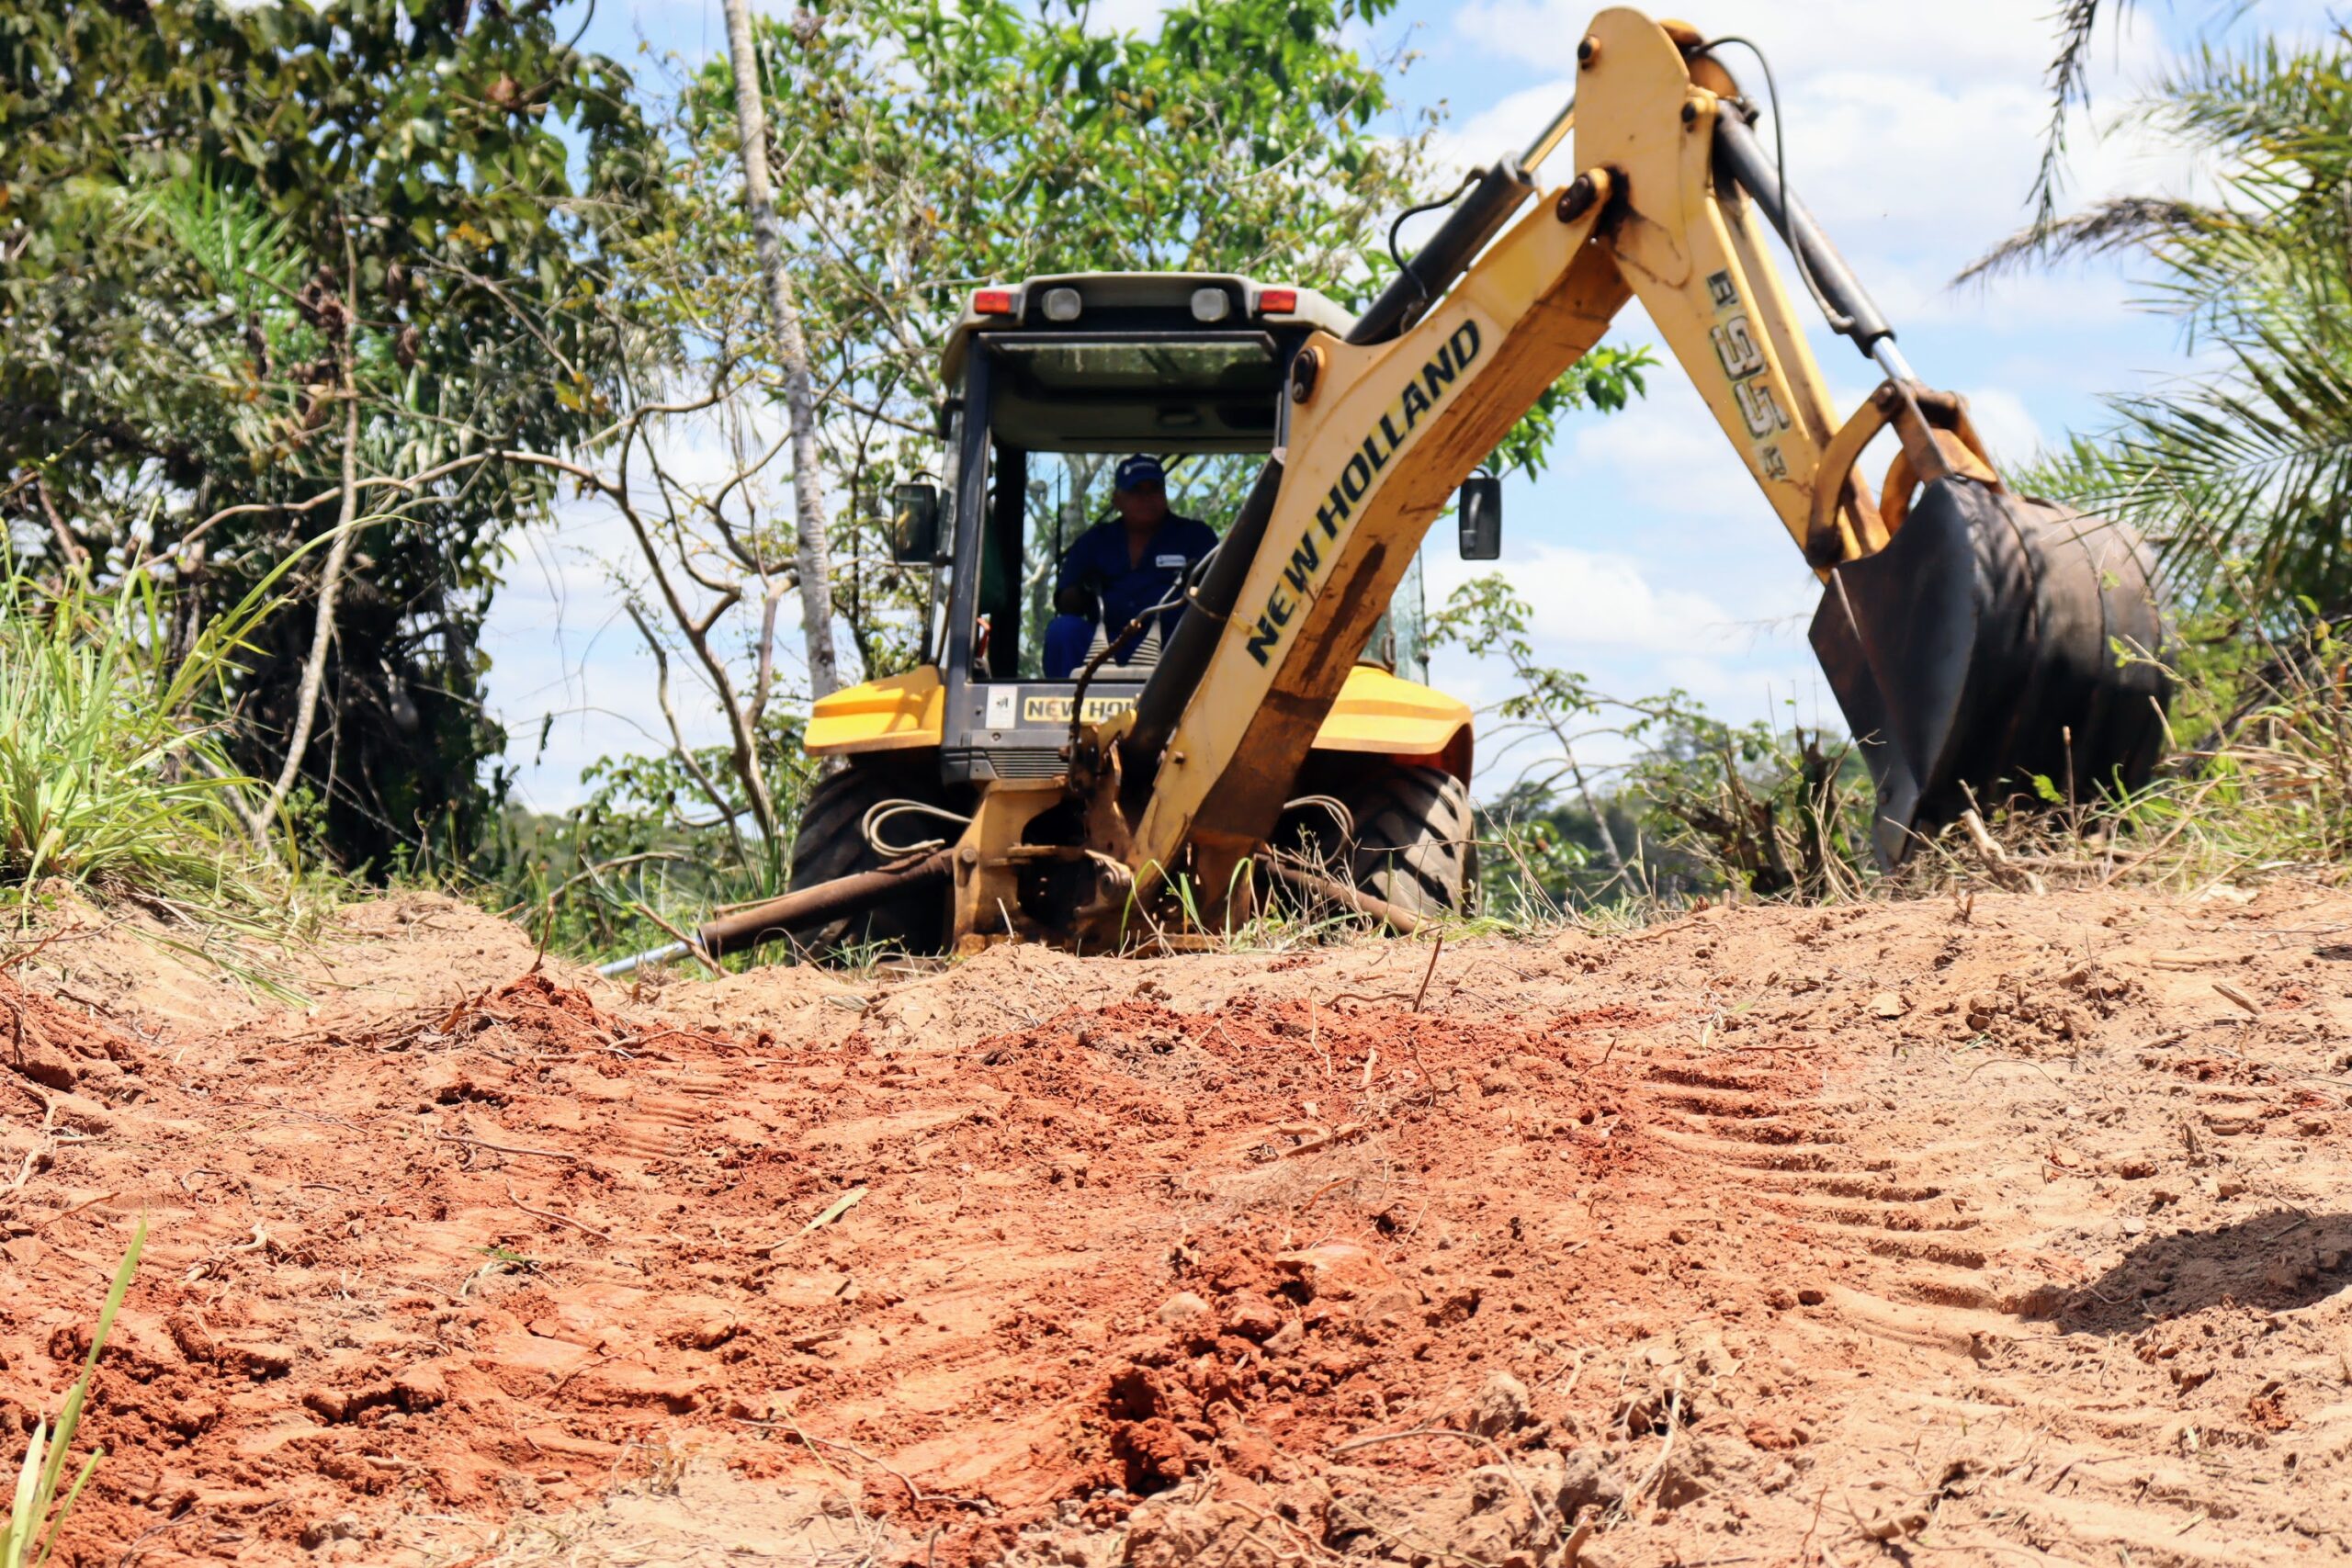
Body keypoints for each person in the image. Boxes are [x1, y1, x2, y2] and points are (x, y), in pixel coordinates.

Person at [1043, 455, 1217, 680]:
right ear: (1117, 500)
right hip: (1104, 644)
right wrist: (1084, 590)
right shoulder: (1094, 542)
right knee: (1062, 630)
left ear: (1164, 495)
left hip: (1173, 644)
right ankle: (1061, 707)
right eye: (1136, 491)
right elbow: (1066, 604)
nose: (1146, 498)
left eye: (1154, 489)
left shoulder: (1196, 537)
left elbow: (1221, 596)